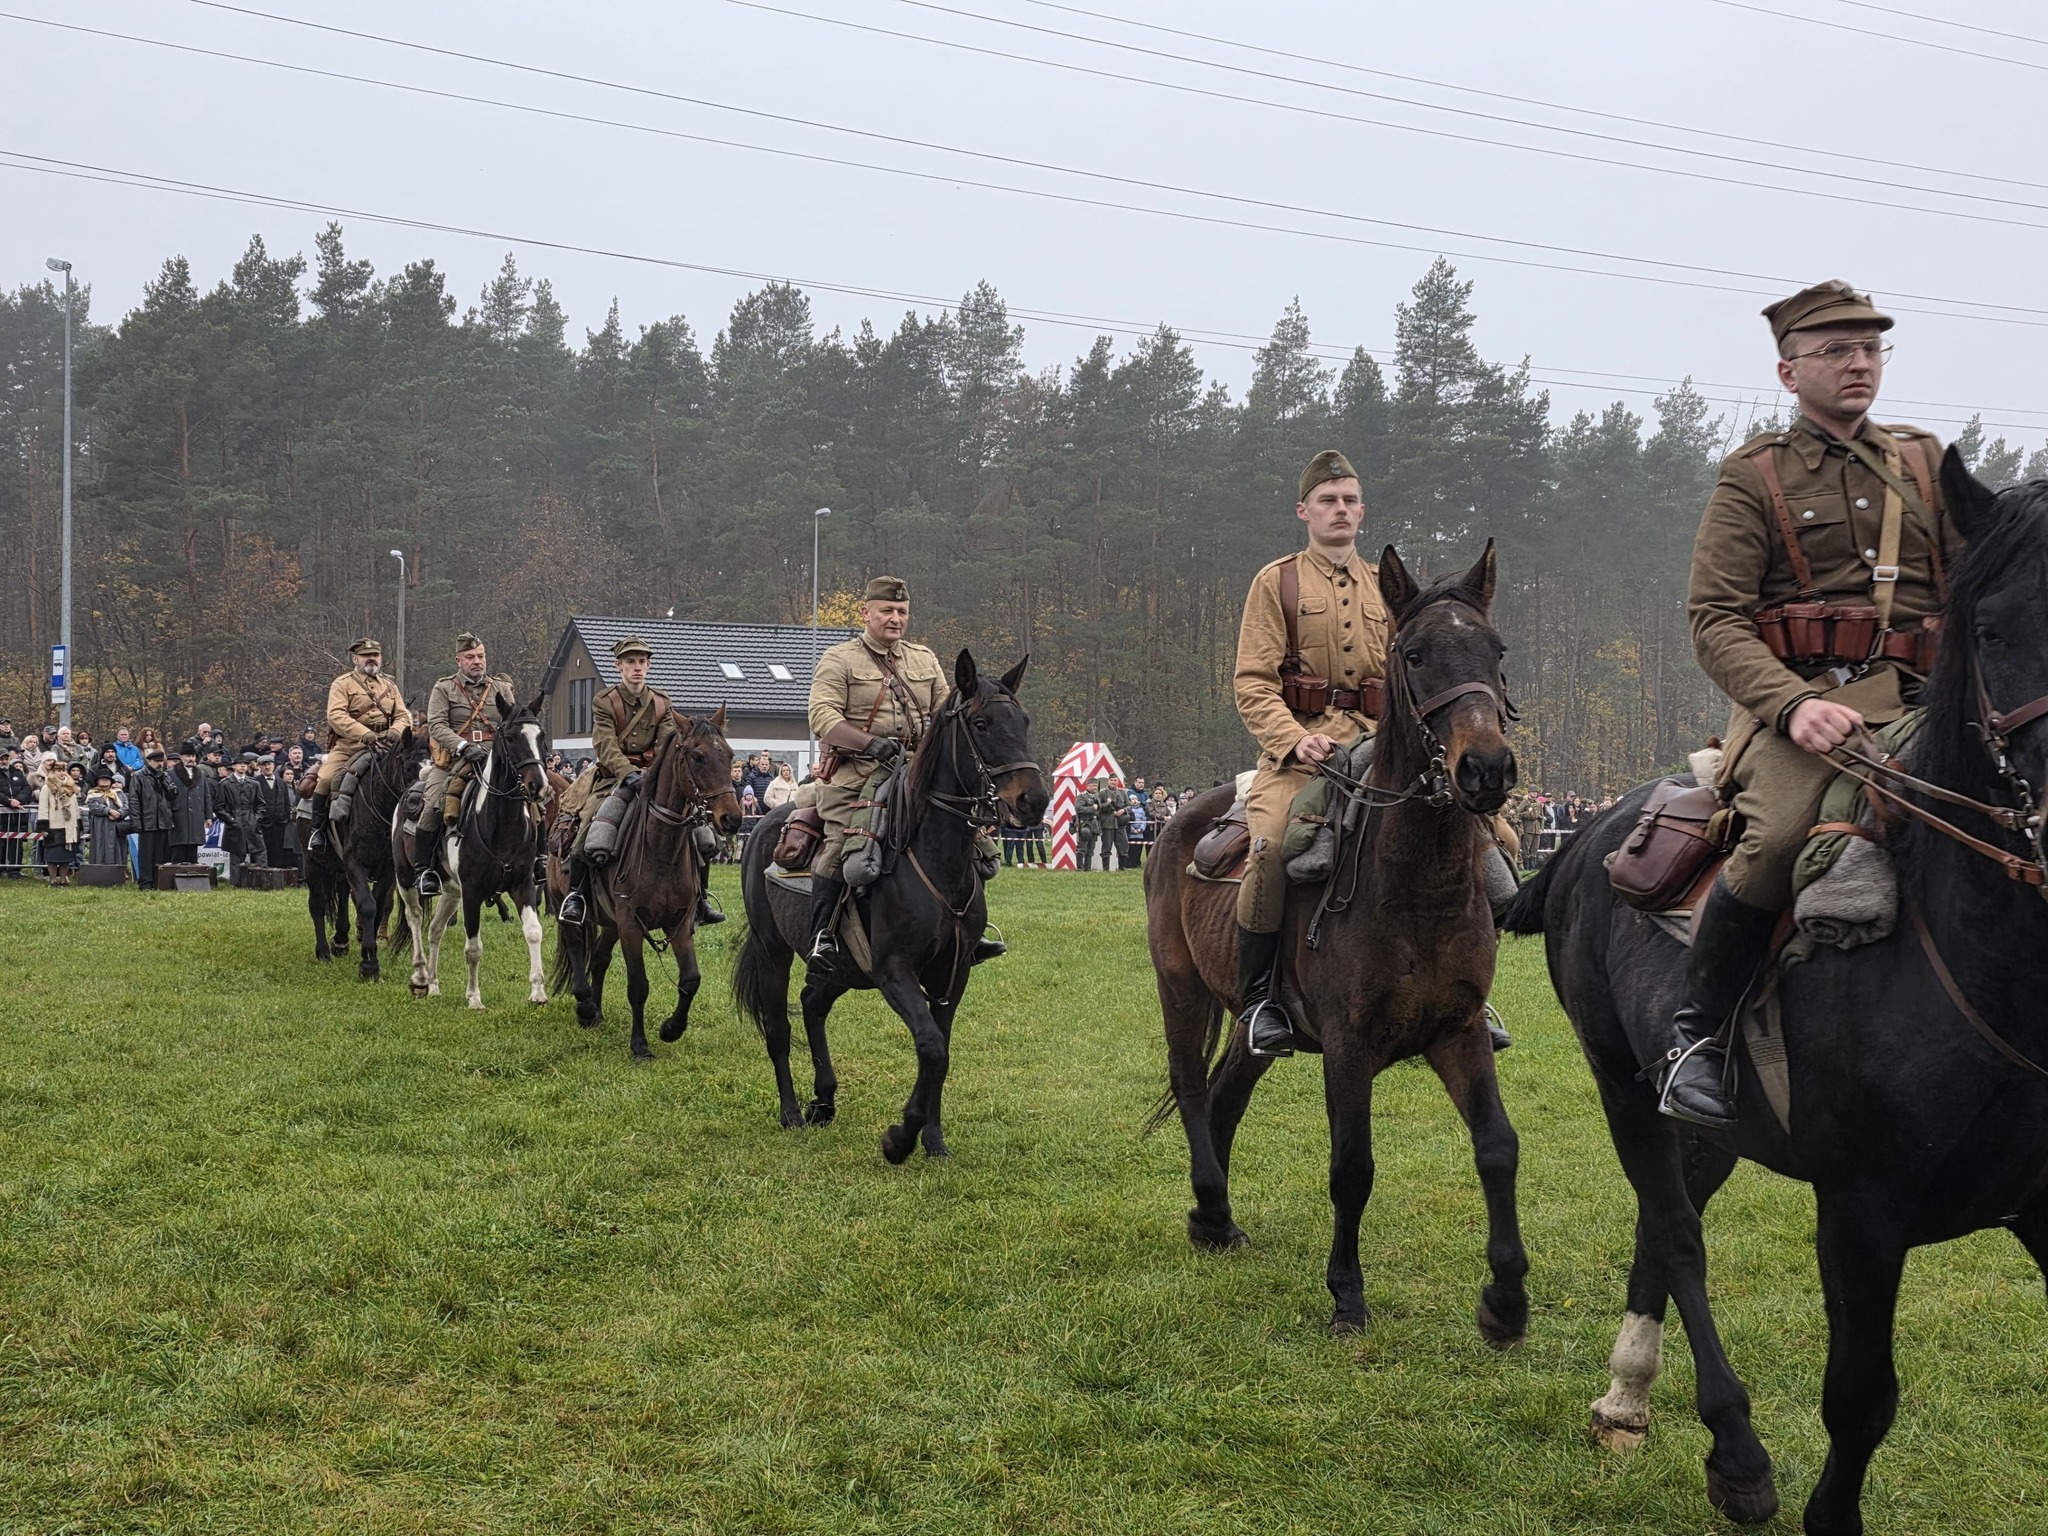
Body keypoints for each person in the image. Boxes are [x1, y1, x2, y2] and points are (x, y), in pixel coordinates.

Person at [1661, 279, 1956, 1129]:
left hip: (1927, 701)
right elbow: (1714, 618)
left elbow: (1978, 588)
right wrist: (1791, 707)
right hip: (1804, 708)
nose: (1858, 363)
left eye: (1870, 348)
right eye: (1836, 350)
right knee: (1786, 833)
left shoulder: (1924, 461)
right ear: (1789, 374)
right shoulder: (1755, 476)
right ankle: (1698, 1034)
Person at [1233, 450, 1391, 1057]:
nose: (1341, 510)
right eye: (1328, 500)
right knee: (1272, 846)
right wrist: (1295, 737)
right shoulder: (1278, 582)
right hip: (1302, 754)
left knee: (1485, 837)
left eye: (1350, 500)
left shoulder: (1388, 584)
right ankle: (1259, 1002)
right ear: (1304, 511)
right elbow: (1252, 681)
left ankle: (1464, 994)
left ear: (1362, 510)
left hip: (1381, 751)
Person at [804, 575, 999, 962]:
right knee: (845, 843)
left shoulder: (923, 659)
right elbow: (821, 713)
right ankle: (822, 935)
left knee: (969, 844)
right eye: (887, 611)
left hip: (916, 771)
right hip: (856, 773)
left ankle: (968, 931)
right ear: (866, 613)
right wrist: (869, 742)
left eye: (902, 612)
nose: (895, 618)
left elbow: (948, 711)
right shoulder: (840, 658)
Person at [559, 635, 721, 929]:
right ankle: (576, 896)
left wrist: (652, 772)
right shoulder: (604, 701)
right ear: (618, 666)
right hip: (614, 779)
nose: (637, 668)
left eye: (642, 662)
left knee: (700, 830)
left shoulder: (662, 702)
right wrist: (627, 773)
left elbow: (666, 743)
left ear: (648, 666)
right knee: (588, 824)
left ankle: (700, 899)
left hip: (654, 777)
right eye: (631, 662)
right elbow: (605, 745)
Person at [414, 632, 520, 899]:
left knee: (534, 800)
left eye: (481, 656)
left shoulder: (501, 689)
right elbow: (436, 726)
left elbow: (513, 724)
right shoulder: (444, 688)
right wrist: (462, 746)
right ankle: (424, 870)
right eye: (470, 657)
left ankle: (539, 859)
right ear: (458, 660)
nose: (477, 662)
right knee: (433, 802)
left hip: (496, 759)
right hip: (455, 758)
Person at [307, 639, 412, 853]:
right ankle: (317, 831)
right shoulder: (342, 683)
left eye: (375, 654)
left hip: (385, 747)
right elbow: (335, 715)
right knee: (326, 780)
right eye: (366, 655)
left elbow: (403, 715)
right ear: (355, 659)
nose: (371, 658)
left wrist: (396, 731)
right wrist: (364, 733)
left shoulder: (390, 686)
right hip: (349, 746)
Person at [129, 746, 178, 887]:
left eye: (161, 761)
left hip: (163, 820)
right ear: (148, 761)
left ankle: (159, 881)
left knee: (162, 855)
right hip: (147, 821)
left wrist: (163, 780)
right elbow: (134, 800)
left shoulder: (165, 776)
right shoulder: (138, 776)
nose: (159, 764)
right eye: (156, 761)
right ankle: (145, 882)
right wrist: (136, 821)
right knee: (146, 855)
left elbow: (173, 794)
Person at [217, 754, 266, 884]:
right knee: (236, 853)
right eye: (239, 763)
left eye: (245, 763)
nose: (243, 765)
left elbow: (261, 804)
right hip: (235, 821)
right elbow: (219, 807)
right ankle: (236, 882)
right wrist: (231, 820)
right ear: (233, 766)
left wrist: (256, 819)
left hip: (251, 821)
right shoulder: (225, 784)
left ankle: (262, 880)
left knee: (259, 850)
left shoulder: (254, 783)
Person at [165, 748, 213, 865]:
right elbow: (166, 798)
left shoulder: (200, 774)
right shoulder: (171, 773)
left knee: (193, 847)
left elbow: (206, 795)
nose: (190, 759)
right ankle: (176, 877)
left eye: (192, 756)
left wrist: (208, 816)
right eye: (187, 756)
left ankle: (193, 877)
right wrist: (168, 816)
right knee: (178, 849)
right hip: (178, 815)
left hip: (196, 815)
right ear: (181, 758)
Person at [84, 767, 129, 873]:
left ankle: (118, 872)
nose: (104, 780)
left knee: (117, 847)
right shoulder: (92, 793)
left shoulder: (118, 793)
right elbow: (93, 806)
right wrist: (108, 811)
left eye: (107, 779)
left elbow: (127, 806)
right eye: (102, 778)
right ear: (97, 781)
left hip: (116, 825)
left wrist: (119, 813)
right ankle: (99, 872)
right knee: (100, 847)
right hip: (100, 825)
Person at [257, 755, 295, 870]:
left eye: (269, 764)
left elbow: (286, 802)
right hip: (264, 822)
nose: (267, 767)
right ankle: (265, 871)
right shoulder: (256, 782)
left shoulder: (281, 782)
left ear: (274, 766)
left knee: (279, 848)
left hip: (280, 822)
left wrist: (285, 817)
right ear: (260, 767)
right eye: (264, 765)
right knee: (264, 848)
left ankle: (278, 872)